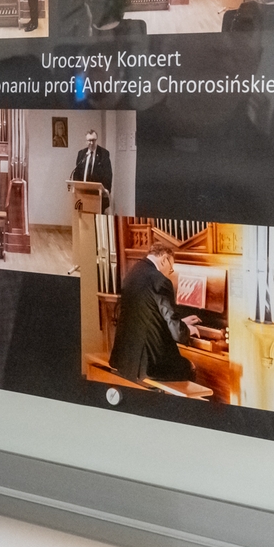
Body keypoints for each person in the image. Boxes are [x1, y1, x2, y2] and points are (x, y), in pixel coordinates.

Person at [110, 240, 200, 386]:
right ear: (164, 259)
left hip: (125, 357)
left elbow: (150, 314)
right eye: (171, 269)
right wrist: (187, 330)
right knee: (189, 367)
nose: (169, 274)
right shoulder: (160, 281)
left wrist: (181, 322)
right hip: (150, 363)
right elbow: (177, 333)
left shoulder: (133, 272)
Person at [72, 128, 114, 208]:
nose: (91, 143)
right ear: (86, 141)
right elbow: (77, 173)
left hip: (98, 195)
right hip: (83, 194)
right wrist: (76, 187)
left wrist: (106, 190)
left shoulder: (104, 154)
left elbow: (108, 174)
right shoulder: (81, 154)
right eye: (89, 140)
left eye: (93, 140)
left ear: (96, 140)